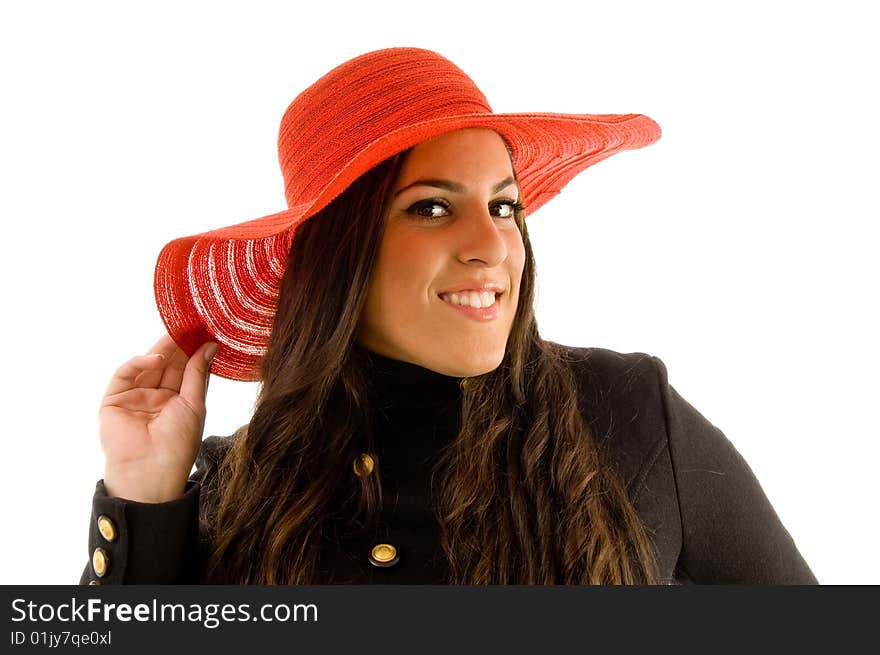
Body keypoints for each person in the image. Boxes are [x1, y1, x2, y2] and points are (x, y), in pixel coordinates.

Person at [79, 47, 817, 585]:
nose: (492, 244)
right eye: (431, 207)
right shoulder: (234, 490)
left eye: (505, 206)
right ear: (343, 255)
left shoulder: (626, 416)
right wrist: (143, 492)